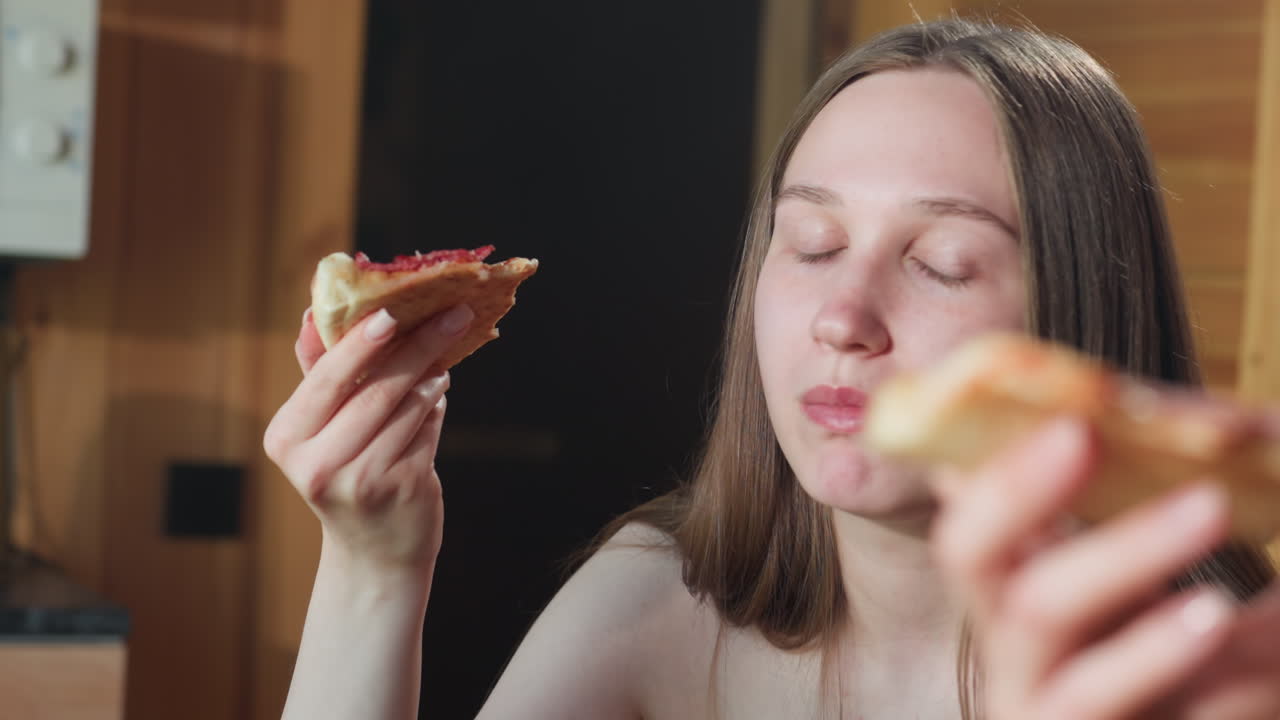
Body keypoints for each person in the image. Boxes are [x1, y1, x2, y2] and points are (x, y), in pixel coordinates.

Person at [263, 17, 1280, 720]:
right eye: (810, 243)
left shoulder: (1214, 670)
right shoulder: (653, 605)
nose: (843, 317)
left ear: (1082, 327)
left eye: (940, 263)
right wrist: (372, 566)